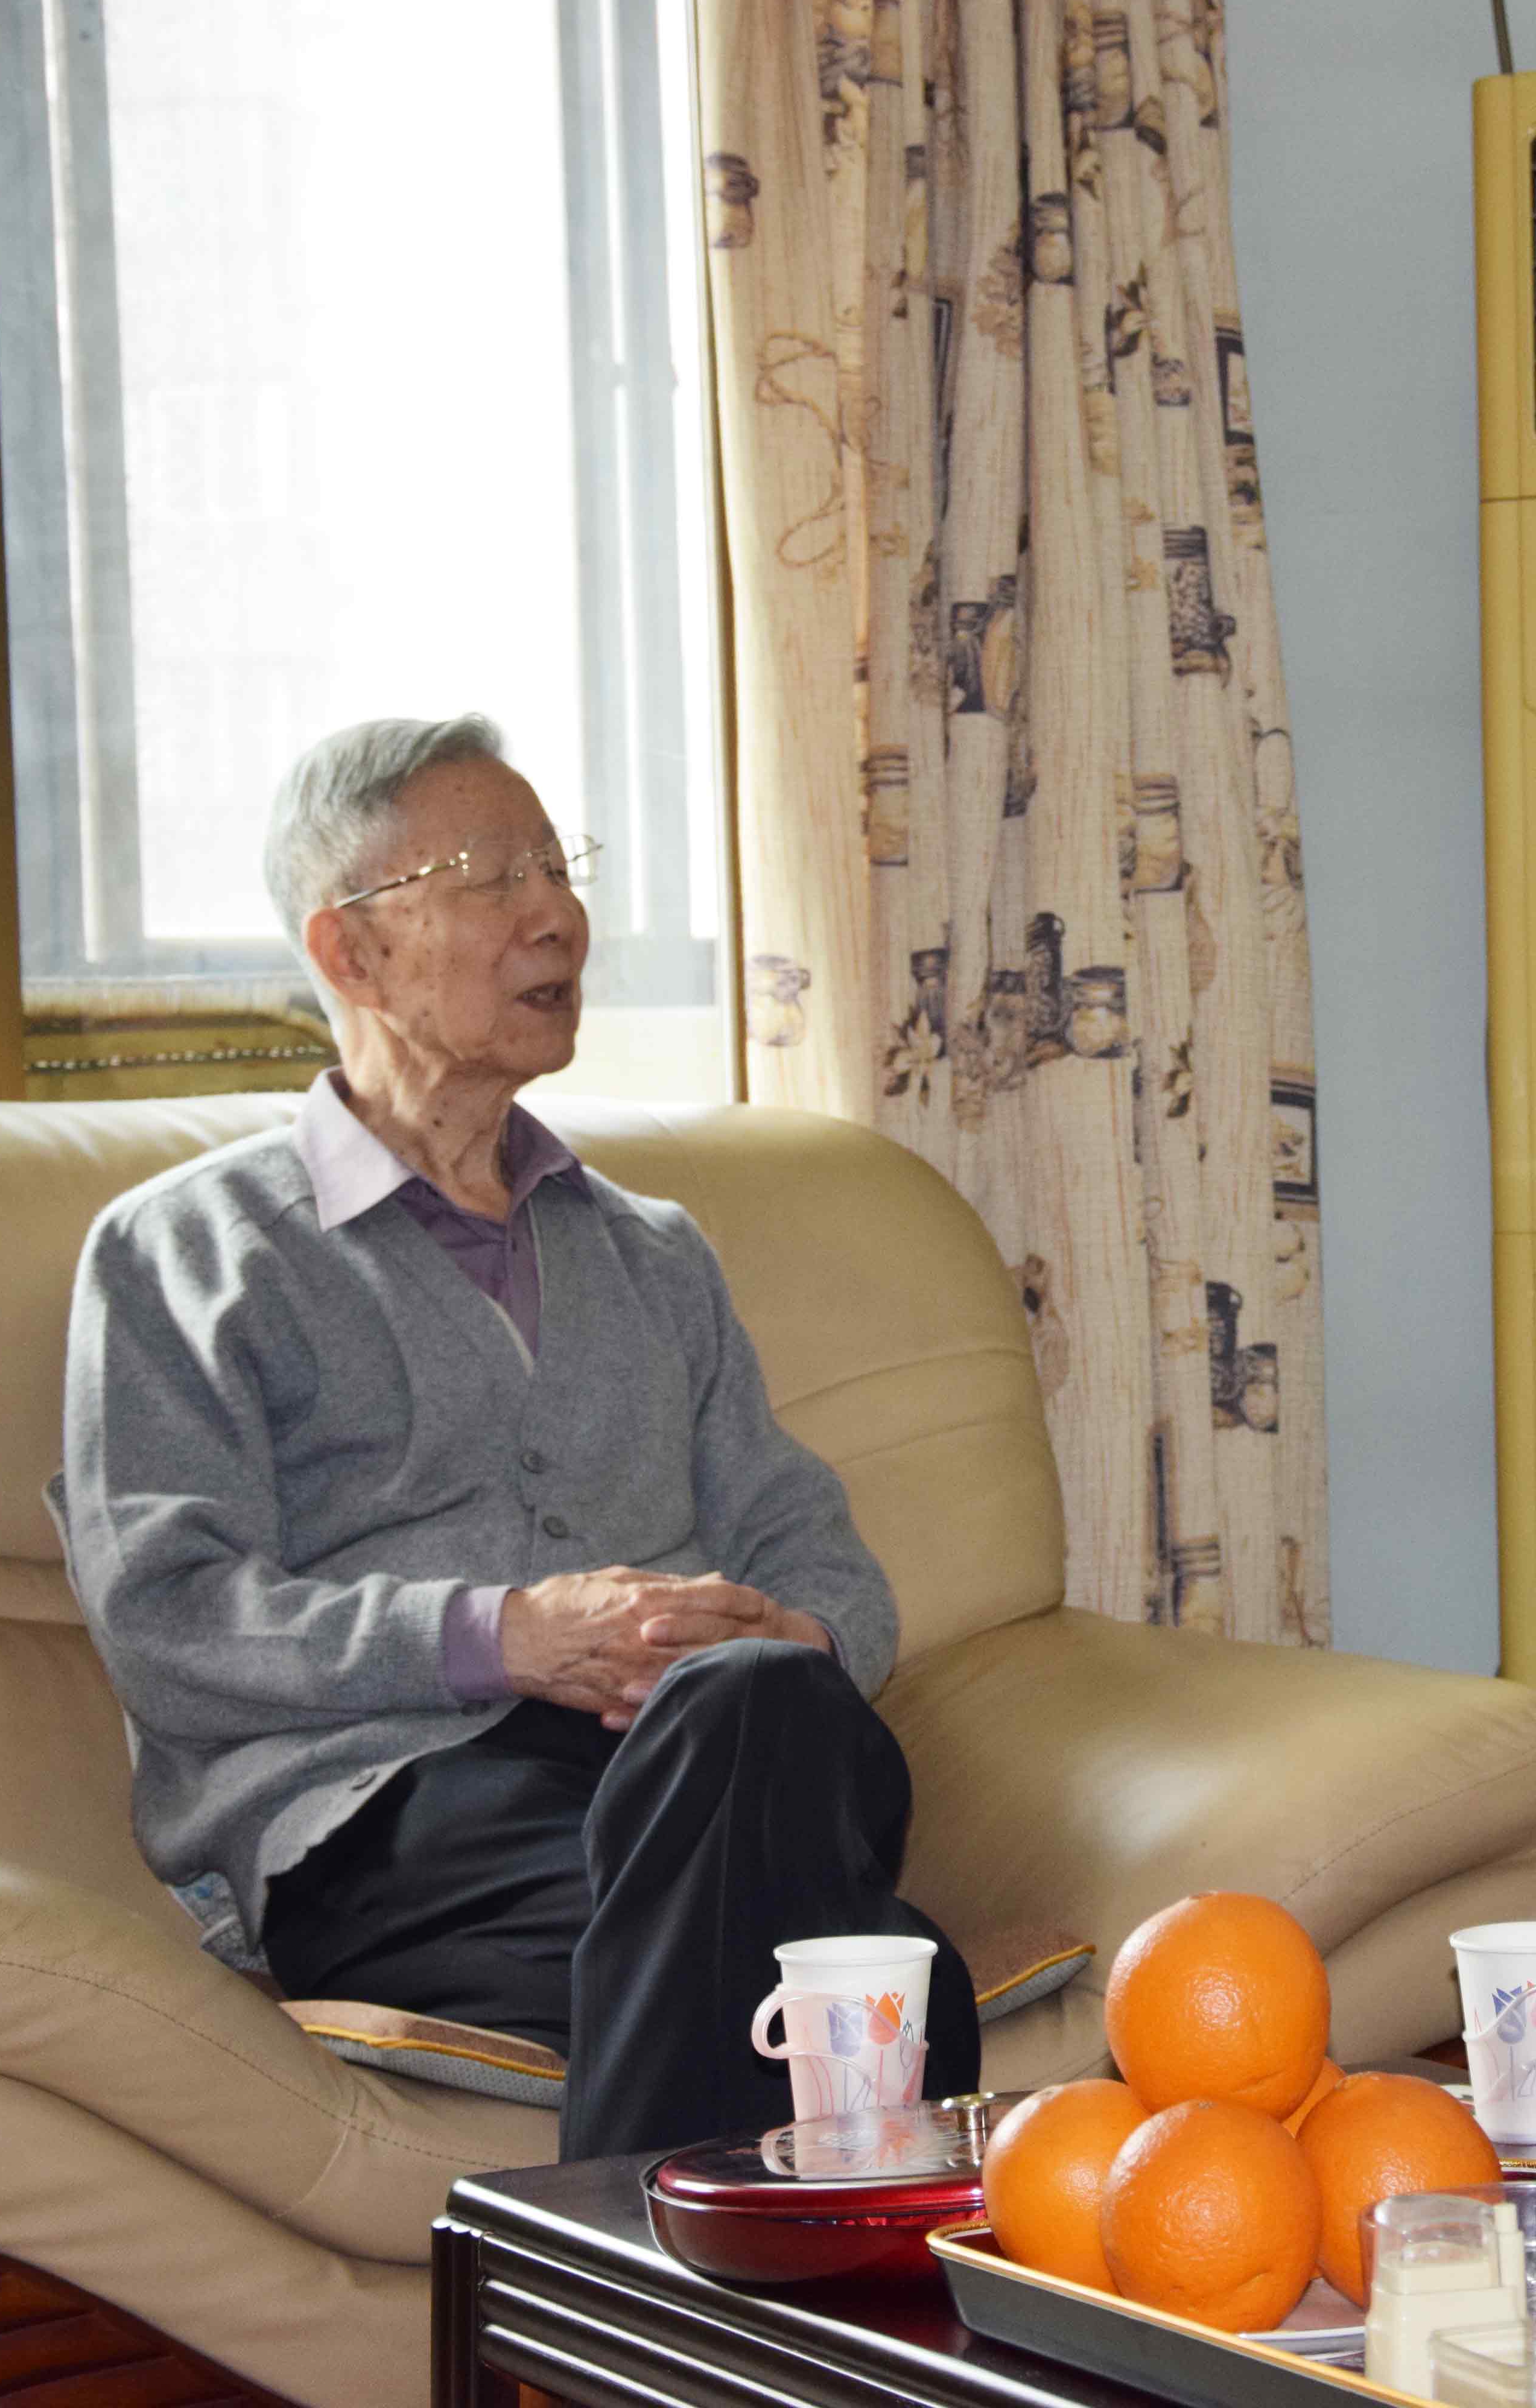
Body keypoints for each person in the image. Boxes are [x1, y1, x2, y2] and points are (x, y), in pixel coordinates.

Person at [52, 714, 979, 2159]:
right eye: (493, 877)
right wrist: (504, 1635)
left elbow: (821, 1559)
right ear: (351, 949)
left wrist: (786, 1637)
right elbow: (170, 1617)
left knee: (761, 1705)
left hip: (694, 1769)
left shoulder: (655, 1253)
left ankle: (605, 2280)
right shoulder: (185, 1250)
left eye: (560, 868)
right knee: (898, 1995)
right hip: (391, 1819)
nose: (558, 916)